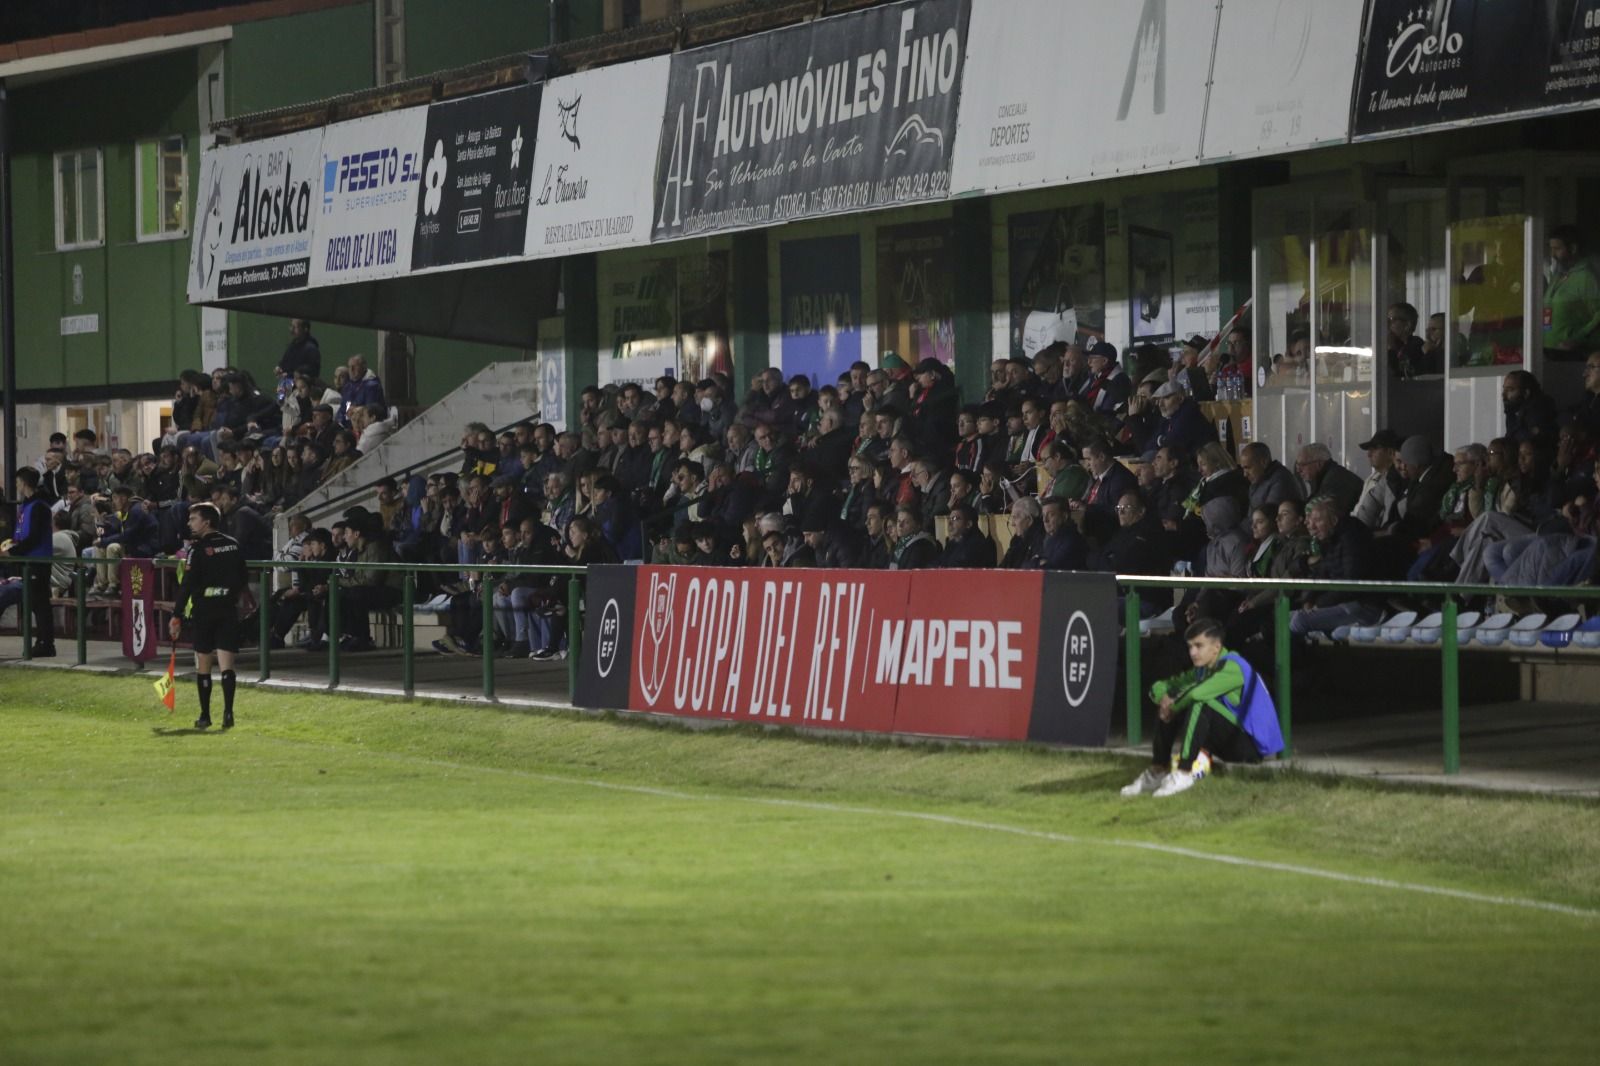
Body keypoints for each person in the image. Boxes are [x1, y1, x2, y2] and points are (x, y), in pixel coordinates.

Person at [1120, 618, 1283, 798]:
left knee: (1199, 702)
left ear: (1216, 647)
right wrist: (1163, 699)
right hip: (1226, 740)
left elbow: (1196, 694)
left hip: (1251, 749)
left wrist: (1172, 705)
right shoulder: (1202, 669)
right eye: (1190, 647)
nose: (1193, 652)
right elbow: (1163, 685)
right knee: (1174, 701)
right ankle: (1158, 771)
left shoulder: (1234, 666)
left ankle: (1183, 772)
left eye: (1198, 646)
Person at [169, 503, 248, 730]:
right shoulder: (233, 545)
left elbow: (188, 584)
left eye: (193, 519)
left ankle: (205, 716)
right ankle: (228, 714)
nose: (189, 523)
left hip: (204, 612)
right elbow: (243, 576)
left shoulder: (197, 549)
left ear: (206, 522)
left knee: (204, 664)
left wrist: (177, 615)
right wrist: (229, 594)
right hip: (227, 610)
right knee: (227, 666)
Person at [7, 468, 57, 657]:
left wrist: (15, 550)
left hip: (38, 560)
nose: (17, 485)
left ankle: (46, 643)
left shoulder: (40, 506)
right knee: (35, 603)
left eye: (19, 482)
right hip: (29, 560)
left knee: (40, 603)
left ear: (25, 483)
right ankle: (42, 641)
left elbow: (35, 536)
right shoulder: (27, 506)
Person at [1543, 224, 1600, 360]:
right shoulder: (1556, 277)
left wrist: (1577, 339)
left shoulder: (1585, 277)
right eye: (1551, 249)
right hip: (1549, 353)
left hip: (1572, 356)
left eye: (1557, 249)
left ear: (1573, 248)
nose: (1553, 255)